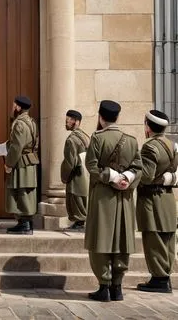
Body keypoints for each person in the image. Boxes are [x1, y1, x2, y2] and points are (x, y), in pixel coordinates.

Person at [84, 100, 142, 302]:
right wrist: (126, 178)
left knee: (101, 240)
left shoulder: (97, 138)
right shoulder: (132, 140)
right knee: (122, 241)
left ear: (101, 117)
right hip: (124, 198)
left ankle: (104, 287)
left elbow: (91, 166)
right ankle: (117, 287)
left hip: (103, 197)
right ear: (118, 117)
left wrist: (111, 177)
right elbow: (139, 168)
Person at [136, 109, 178, 293]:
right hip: (168, 198)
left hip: (152, 199)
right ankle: (164, 276)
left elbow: (146, 176)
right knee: (167, 238)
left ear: (148, 125)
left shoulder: (150, 146)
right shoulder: (171, 145)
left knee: (154, 239)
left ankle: (159, 279)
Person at [4, 95, 39, 235]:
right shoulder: (31, 122)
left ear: (18, 107)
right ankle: (26, 222)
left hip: (21, 163)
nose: (13, 107)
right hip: (29, 161)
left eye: (14, 105)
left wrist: (8, 163)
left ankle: (24, 224)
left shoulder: (19, 124)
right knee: (26, 190)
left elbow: (17, 147)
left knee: (21, 190)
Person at [60, 109, 90, 232]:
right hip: (85, 173)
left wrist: (64, 176)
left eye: (69, 119)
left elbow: (69, 162)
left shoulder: (71, 140)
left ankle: (79, 223)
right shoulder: (84, 136)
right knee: (82, 198)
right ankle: (80, 222)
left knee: (75, 198)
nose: (67, 122)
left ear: (76, 122)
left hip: (76, 174)